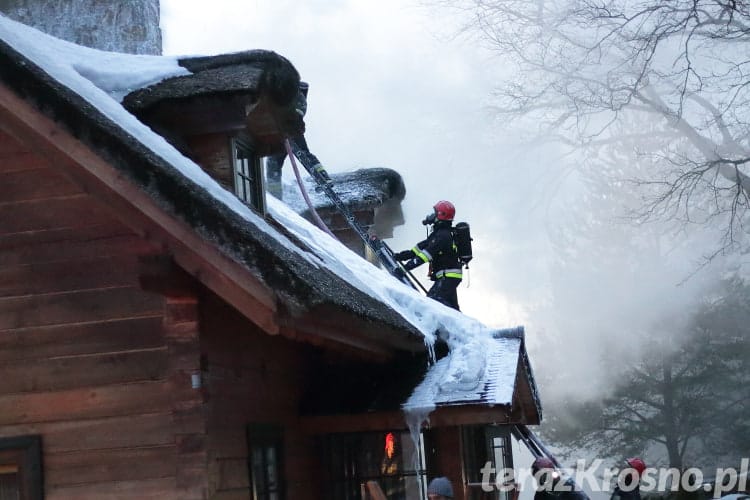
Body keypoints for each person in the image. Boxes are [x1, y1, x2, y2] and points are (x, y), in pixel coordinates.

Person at [265, 81, 331, 199]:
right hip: (284, 134)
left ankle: (322, 177)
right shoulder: (295, 98)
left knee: (279, 161)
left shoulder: (295, 97)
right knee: (274, 162)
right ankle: (275, 195)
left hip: (290, 131)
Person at [395, 200, 463, 310]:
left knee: (431, 305)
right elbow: (418, 250)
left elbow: (425, 256)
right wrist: (400, 256)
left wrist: (404, 268)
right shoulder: (438, 234)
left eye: (435, 213)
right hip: (449, 277)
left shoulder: (442, 236)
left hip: (447, 277)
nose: (431, 215)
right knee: (452, 309)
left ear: (441, 215)